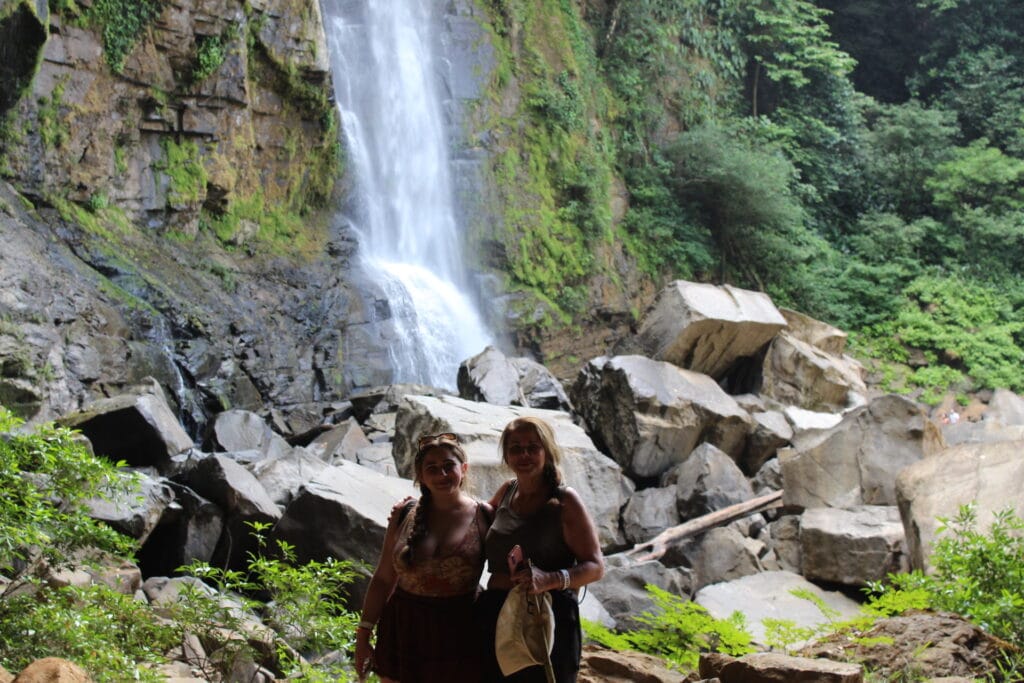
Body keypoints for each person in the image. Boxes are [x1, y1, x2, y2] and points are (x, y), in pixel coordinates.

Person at [477, 416, 605, 682]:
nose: (524, 454)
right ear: (506, 455)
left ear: (547, 451)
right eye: (515, 448)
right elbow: (472, 519)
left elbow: (595, 567)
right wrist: (413, 510)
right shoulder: (507, 492)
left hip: (547, 620)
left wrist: (550, 579)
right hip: (497, 614)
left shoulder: (564, 500)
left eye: (532, 447)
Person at [354, 432, 491, 682]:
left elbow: (505, 572)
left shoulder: (484, 515)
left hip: (460, 631)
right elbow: (384, 578)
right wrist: (363, 635)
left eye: (449, 466)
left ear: (464, 468)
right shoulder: (404, 515)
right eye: (432, 468)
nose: (441, 475)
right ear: (420, 476)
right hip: (404, 628)